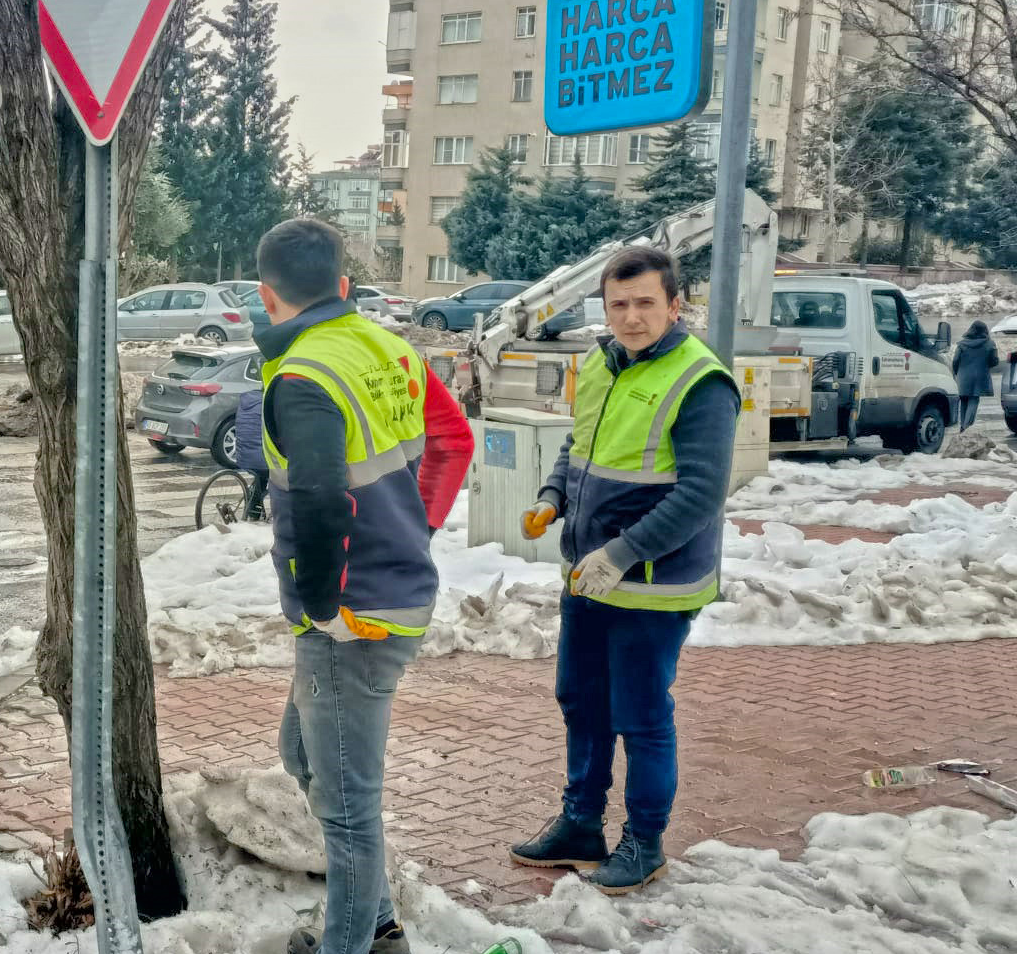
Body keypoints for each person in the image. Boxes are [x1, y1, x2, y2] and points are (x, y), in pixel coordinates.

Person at [254, 218, 474, 954]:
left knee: (347, 812)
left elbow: (318, 499)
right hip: (381, 593)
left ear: (266, 294)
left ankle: (357, 941)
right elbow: (447, 440)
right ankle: (376, 925)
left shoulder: (304, 374)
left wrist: (322, 607)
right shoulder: (390, 347)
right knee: (303, 754)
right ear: (342, 284)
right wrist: (415, 531)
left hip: (351, 617)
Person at [513, 245, 740, 895]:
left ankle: (645, 840)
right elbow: (578, 446)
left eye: (646, 303)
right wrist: (551, 497)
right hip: (589, 577)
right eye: (620, 304)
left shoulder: (702, 381)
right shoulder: (600, 362)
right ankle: (581, 822)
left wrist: (620, 553)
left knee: (640, 714)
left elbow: (700, 495)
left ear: (675, 305)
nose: (632, 317)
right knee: (581, 701)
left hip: (655, 584)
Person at [952, 320, 1001, 431]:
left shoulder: (962, 344)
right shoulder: (989, 344)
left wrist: (955, 372)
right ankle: (966, 427)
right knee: (973, 400)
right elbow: (994, 361)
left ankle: (962, 426)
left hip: (963, 377)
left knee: (964, 399)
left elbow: (955, 360)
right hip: (980, 377)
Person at [233, 383, 268, 520]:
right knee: (281, 476)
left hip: (243, 456)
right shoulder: (271, 403)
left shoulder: (248, 401)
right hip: (262, 459)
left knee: (261, 476)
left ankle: (254, 511)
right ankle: (254, 514)